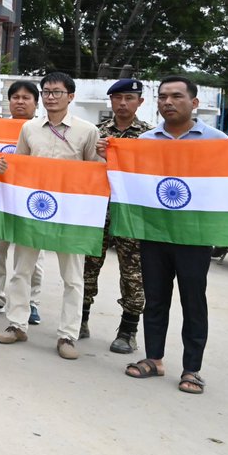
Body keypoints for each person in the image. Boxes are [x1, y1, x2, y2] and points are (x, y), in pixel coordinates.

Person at [120, 76, 228, 394]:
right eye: (163, 96)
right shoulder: (148, 140)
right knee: (155, 298)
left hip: (194, 235)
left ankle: (192, 368)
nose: (167, 102)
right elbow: (130, 176)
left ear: (194, 103)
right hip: (154, 231)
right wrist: (109, 153)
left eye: (176, 96)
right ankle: (153, 359)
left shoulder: (218, 141)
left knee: (193, 301)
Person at [0, 72, 100, 359]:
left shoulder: (87, 131)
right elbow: (19, 165)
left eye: (57, 92)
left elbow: (95, 171)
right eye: (47, 92)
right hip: (33, 208)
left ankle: (67, 335)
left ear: (71, 96)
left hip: (70, 213)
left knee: (73, 277)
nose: (51, 97)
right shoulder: (29, 129)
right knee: (21, 270)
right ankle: (17, 324)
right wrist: (5, 168)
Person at [81, 78, 153, 352]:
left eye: (129, 98)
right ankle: (81, 320)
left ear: (140, 102)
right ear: (111, 101)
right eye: (118, 98)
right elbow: (81, 168)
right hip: (98, 210)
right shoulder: (96, 133)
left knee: (133, 273)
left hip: (132, 214)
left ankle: (127, 331)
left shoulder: (149, 137)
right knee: (87, 266)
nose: (123, 103)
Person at [0, 79, 45, 322]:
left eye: (26, 98)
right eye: (15, 97)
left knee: (32, 257)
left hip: (32, 201)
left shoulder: (44, 131)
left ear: (36, 103)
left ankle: (31, 302)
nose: (20, 101)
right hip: (0, 197)